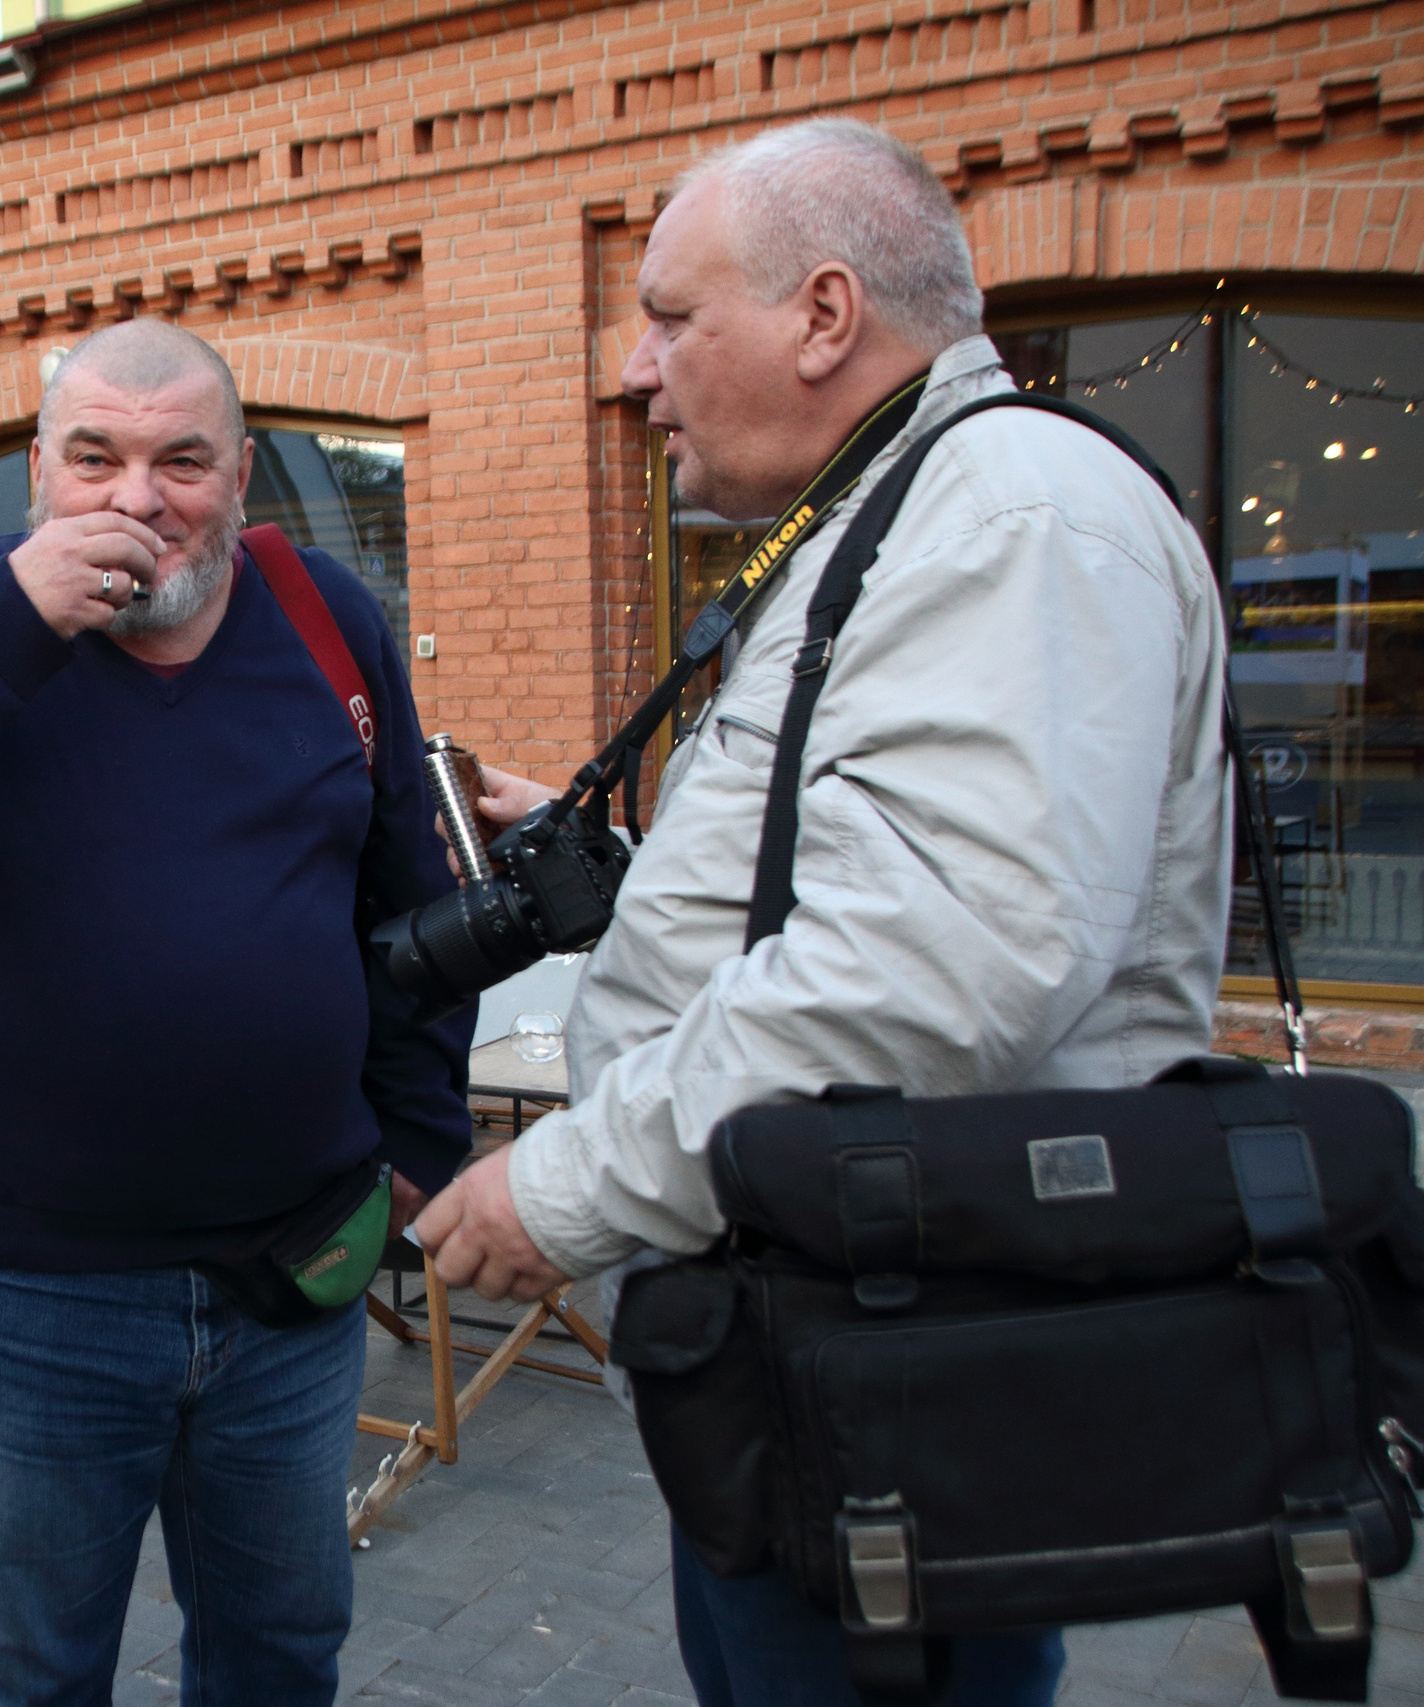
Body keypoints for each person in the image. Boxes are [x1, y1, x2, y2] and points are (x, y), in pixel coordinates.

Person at [416, 118, 1228, 1707]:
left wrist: (563, 1187)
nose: (636, 370)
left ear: (825, 315)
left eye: (668, 315)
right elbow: (880, 892)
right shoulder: (913, 507)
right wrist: (643, 893)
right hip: (822, 1349)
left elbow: (931, 975)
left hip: (904, 1369)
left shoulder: (1007, 520)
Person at [0, 318, 472, 1706]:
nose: (138, 497)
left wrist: (416, 1156)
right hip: (30, 1296)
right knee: (25, 1677)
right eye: (96, 458)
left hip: (295, 1282)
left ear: (241, 474)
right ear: (37, 470)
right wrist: (13, 610)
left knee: (281, 1656)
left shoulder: (327, 619)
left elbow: (409, 906)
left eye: (181, 460)